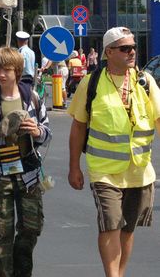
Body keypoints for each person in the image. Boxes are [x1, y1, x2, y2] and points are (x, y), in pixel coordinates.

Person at [68, 27, 158, 277]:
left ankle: (120, 273)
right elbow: (78, 126)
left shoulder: (145, 82)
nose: (132, 52)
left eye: (134, 47)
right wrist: (74, 166)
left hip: (139, 171)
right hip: (104, 172)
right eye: (125, 48)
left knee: (127, 229)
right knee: (110, 225)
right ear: (109, 52)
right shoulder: (92, 83)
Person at [0, 46, 51, 277]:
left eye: (6, 69)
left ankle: (21, 271)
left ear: (17, 70)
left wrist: (36, 132)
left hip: (29, 174)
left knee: (30, 229)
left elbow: (47, 134)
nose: (0, 74)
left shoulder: (32, 98)